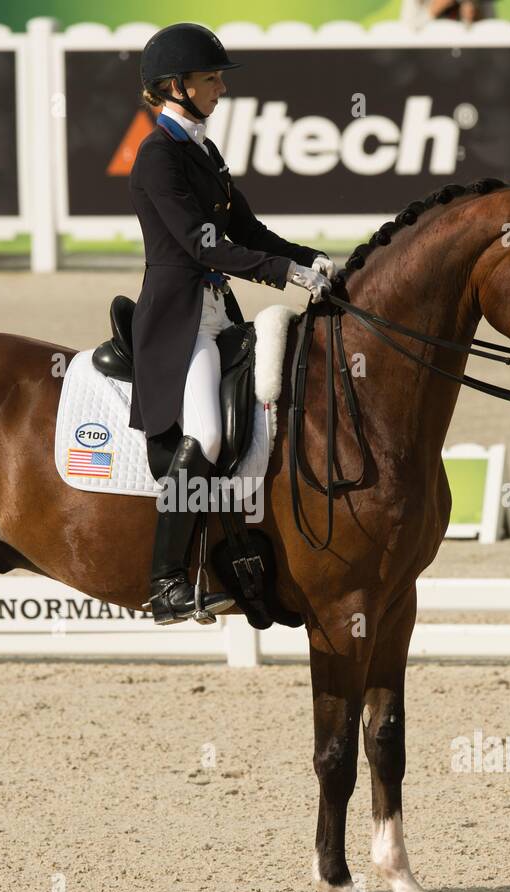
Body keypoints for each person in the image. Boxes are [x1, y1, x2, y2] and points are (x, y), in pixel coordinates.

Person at [128, 21, 333, 625]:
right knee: (209, 436)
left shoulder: (202, 150)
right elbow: (202, 243)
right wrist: (283, 275)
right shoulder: (156, 155)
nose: (221, 88)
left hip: (218, 315)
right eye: (211, 78)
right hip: (179, 323)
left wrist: (308, 259)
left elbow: (246, 230)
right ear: (175, 85)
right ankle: (165, 582)